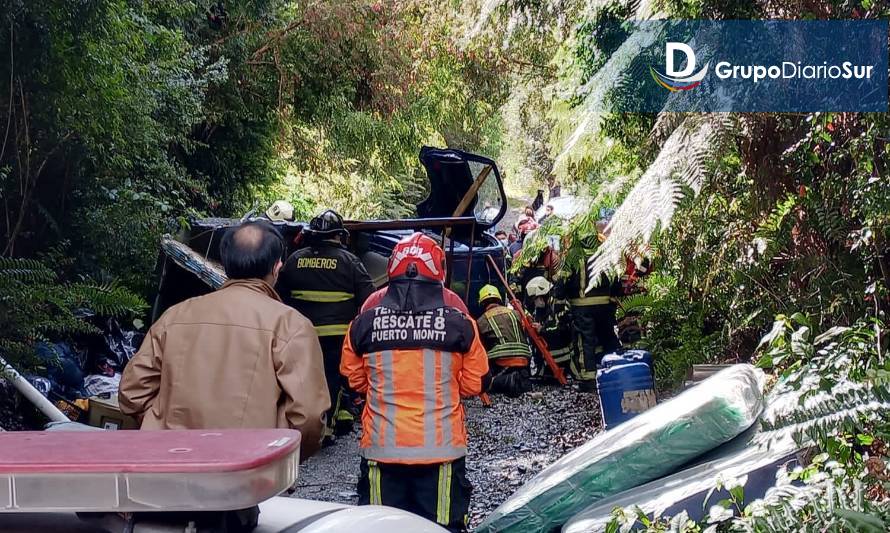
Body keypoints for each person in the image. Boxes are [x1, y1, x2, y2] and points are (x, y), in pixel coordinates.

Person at [119, 221, 330, 461]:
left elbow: (133, 393)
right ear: (276, 267)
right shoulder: (292, 326)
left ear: (225, 262)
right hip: (250, 472)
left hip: (172, 465)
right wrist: (276, 456)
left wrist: (162, 427)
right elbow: (309, 417)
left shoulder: (175, 317)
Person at [340, 232, 489, 533]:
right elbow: (477, 383)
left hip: (383, 451)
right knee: (443, 527)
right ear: (439, 272)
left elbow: (352, 379)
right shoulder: (460, 324)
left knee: (379, 528)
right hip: (441, 454)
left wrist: (383, 390)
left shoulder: (363, 324)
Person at [276, 209, 375, 441]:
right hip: (337, 336)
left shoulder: (295, 260)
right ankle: (325, 427)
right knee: (331, 377)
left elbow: (279, 295)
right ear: (338, 235)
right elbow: (368, 299)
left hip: (301, 336)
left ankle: (308, 421)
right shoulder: (350, 262)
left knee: (303, 380)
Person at [563, 231, 621, 391]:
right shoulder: (604, 253)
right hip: (605, 305)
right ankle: (616, 371)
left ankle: (589, 379)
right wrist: (614, 295)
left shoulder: (574, 255)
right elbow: (615, 277)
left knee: (585, 342)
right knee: (607, 338)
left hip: (582, 306)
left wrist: (560, 299)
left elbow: (563, 280)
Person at [476, 284, 533, 397]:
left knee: (485, 384)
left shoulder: (481, 321)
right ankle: (521, 378)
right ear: (499, 299)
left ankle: (505, 380)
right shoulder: (515, 313)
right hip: (524, 359)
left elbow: (480, 347)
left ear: (482, 303)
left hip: (501, 361)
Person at [526, 276, 576, 379]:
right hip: (549, 357)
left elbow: (564, 330)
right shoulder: (540, 309)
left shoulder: (559, 305)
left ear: (541, 296)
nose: (535, 302)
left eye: (535, 299)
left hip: (564, 353)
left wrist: (542, 330)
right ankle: (544, 370)